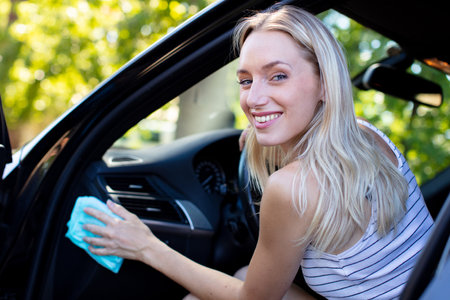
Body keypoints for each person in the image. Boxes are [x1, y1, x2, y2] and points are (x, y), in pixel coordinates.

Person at [83, 4, 434, 299]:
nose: (252, 99)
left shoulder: (291, 189)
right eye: (246, 80)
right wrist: (261, 130)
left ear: (326, 82)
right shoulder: (368, 136)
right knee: (242, 270)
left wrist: (147, 246)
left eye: (278, 76)